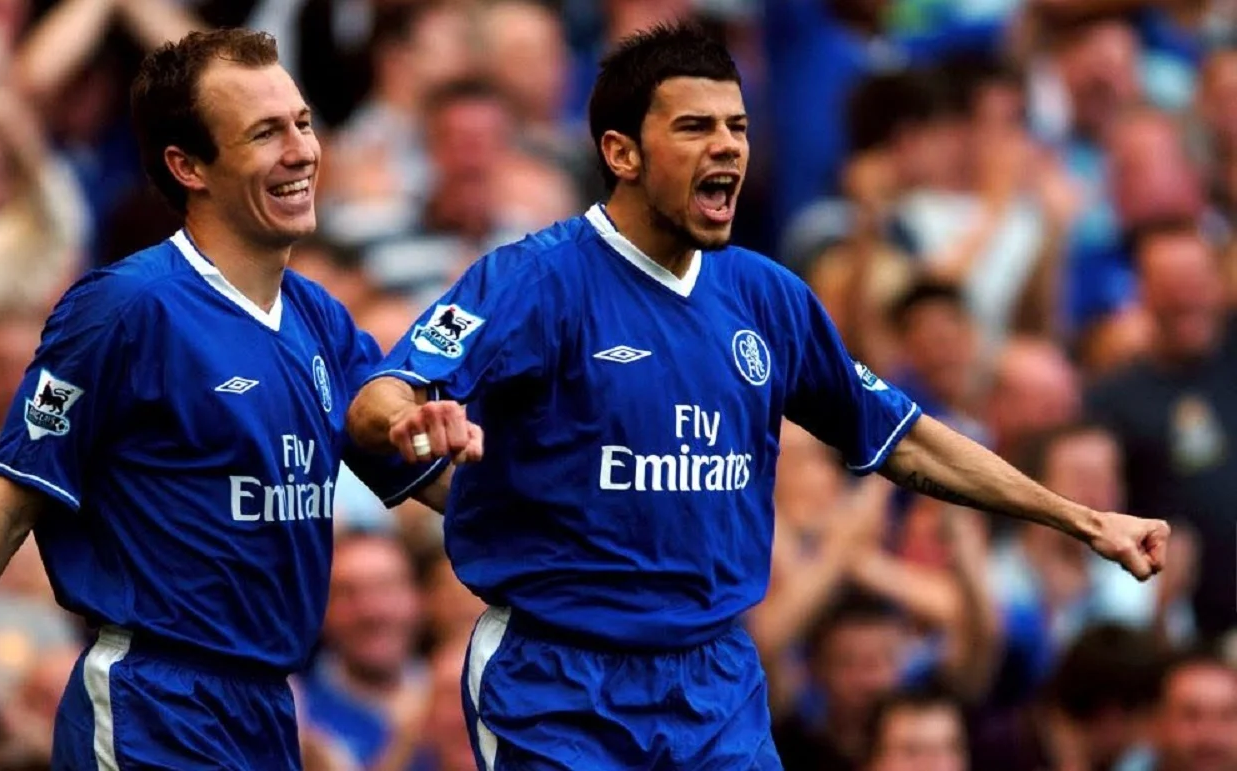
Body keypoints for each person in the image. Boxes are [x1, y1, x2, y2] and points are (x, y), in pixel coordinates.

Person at [352, 22, 1171, 771]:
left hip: (716, 685)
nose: (727, 147)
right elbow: (379, 399)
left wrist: (1080, 517)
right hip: (560, 683)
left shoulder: (765, 297)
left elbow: (905, 437)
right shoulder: (534, 278)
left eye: (738, 127)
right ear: (622, 153)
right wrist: (414, 420)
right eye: (695, 127)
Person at [0, 29, 481, 771]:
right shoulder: (124, 308)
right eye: (266, 133)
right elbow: (7, 507)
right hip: (154, 708)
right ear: (189, 165)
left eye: (302, 123)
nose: (302, 151)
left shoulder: (320, 319)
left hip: (268, 710)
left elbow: (443, 480)